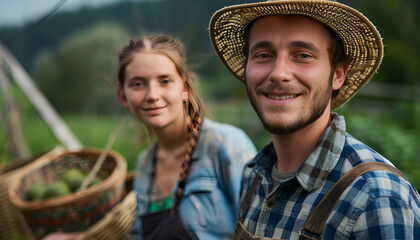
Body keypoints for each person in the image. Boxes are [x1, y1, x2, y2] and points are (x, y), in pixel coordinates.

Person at [209, 0, 420, 239]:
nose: (279, 73)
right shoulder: (253, 177)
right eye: (263, 54)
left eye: (303, 55)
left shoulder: (377, 197)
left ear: (338, 75)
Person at [116, 33, 257, 240]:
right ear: (123, 97)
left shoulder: (225, 145)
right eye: (138, 84)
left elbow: (258, 227)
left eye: (165, 81)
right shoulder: (145, 163)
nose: (152, 95)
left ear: (185, 89)